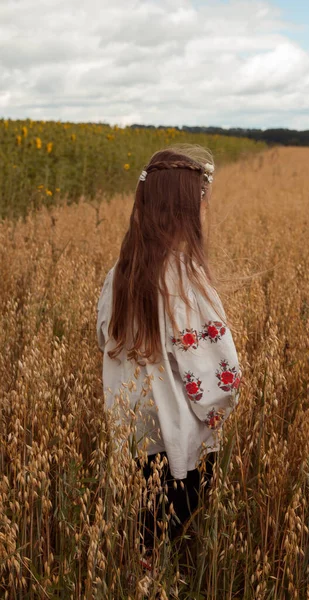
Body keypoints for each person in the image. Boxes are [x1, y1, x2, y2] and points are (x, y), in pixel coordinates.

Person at [96, 143, 242, 569]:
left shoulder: (119, 273)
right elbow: (219, 374)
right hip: (182, 442)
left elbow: (104, 337)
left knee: (144, 534)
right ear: (187, 207)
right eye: (201, 199)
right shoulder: (186, 280)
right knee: (169, 539)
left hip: (133, 436)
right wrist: (219, 412)